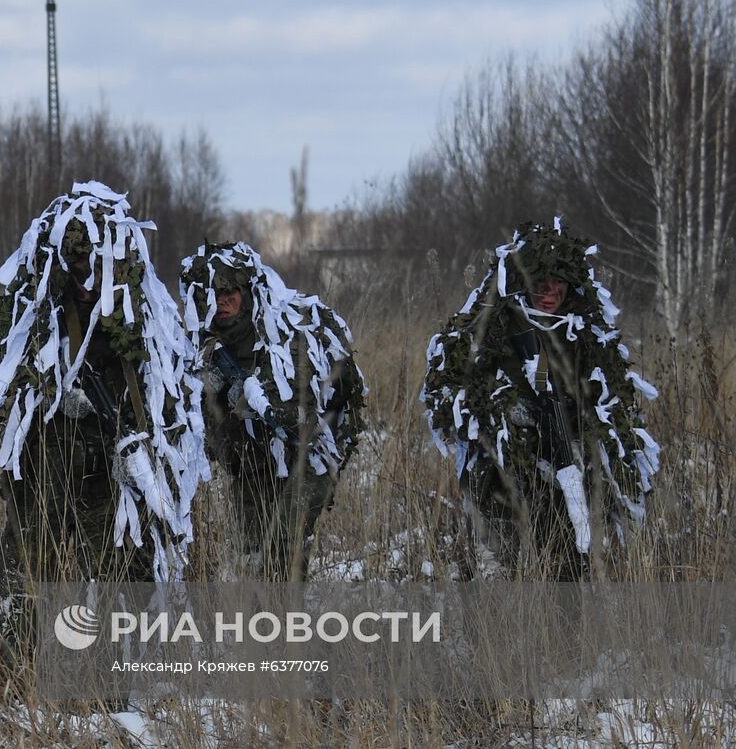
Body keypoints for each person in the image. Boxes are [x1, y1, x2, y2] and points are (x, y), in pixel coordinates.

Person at [0, 181, 208, 666]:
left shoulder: (143, 315)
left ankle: (108, 684)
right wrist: (51, 396)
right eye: (77, 264)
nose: (87, 278)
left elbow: (171, 392)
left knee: (120, 573)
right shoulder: (31, 310)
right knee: (25, 569)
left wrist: (147, 454)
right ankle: (13, 673)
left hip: (109, 467)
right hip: (42, 463)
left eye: (97, 265)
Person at [421, 220, 660, 580]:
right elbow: (445, 390)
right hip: (501, 478)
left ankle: (561, 636)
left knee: (568, 573)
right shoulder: (490, 328)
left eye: (558, 281)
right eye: (539, 282)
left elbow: (615, 407)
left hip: (566, 473)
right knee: (496, 575)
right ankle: (490, 635)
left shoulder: (586, 334)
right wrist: (501, 411)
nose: (548, 290)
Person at [180, 242, 366, 580]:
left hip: (306, 462)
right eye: (213, 294)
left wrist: (257, 399)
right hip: (251, 466)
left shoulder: (284, 338)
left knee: (283, 556)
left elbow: (302, 419)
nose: (221, 302)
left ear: (247, 293)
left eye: (230, 293)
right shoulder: (203, 342)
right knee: (249, 559)